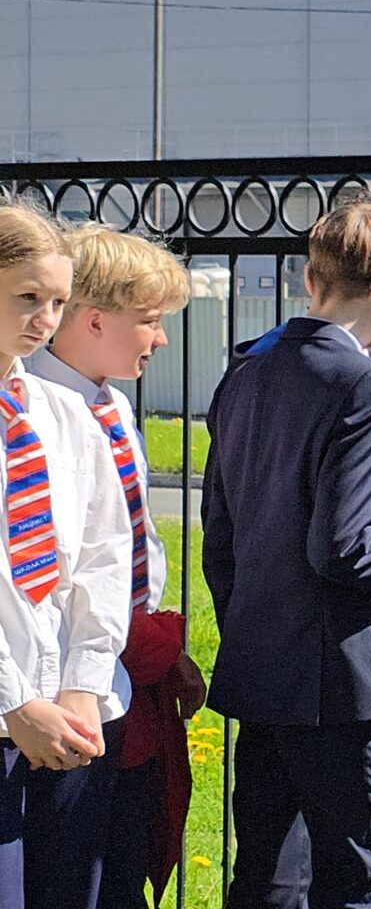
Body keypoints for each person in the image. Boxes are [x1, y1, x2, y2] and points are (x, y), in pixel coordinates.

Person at [202, 201, 371, 909]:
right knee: (367, 884)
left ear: (312, 278)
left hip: (260, 664)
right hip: (338, 678)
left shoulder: (246, 367)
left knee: (267, 880)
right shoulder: (366, 381)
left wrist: (251, 623)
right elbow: (344, 547)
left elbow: (220, 534)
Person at [28, 224, 207, 909]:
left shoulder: (115, 406)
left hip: (126, 673)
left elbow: (130, 543)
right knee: (65, 873)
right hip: (59, 687)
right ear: (95, 319)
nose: (160, 339)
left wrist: (156, 649)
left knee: (123, 862)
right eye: (149, 320)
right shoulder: (35, 409)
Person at [0, 202, 132, 909]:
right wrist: (13, 703)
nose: (45, 319)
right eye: (27, 297)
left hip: (65, 717)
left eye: (56, 301)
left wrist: (83, 684)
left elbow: (105, 557)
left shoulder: (66, 414)